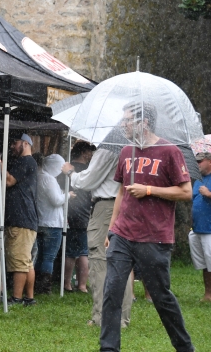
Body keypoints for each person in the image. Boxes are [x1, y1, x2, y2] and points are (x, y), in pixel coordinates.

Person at [100, 102, 195, 352]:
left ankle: (185, 347)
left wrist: (149, 190)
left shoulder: (169, 151)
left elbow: (186, 192)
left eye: (128, 120)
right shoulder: (126, 151)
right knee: (111, 293)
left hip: (154, 238)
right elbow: (121, 193)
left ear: (144, 122)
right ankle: (108, 348)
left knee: (161, 297)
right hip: (122, 235)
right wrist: (111, 229)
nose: (123, 124)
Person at [62, 138, 134, 328]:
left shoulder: (108, 148)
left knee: (100, 261)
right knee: (122, 263)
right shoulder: (132, 147)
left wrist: (70, 172)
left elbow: (88, 180)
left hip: (107, 208)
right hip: (127, 207)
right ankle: (122, 319)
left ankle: (103, 317)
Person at [4, 134, 38, 306]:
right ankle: (29, 298)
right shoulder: (29, 163)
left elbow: (9, 181)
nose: (12, 146)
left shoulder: (25, 162)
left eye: (15, 143)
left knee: (19, 261)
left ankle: (16, 298)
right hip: (27, 219)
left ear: (25, 143)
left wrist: (0, 163)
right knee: (26, 261)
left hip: (21, 219)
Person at [34, 154, 70, 295]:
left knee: (39, 256)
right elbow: (56, 200)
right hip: (53, 223)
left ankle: (36, 284)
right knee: (48, 257)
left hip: (40, 221)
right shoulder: (49, 179)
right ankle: (44, 288)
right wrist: (67, 195)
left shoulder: (39, 176)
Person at [63, 142, 96, 293]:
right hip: (84, 213)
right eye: (89, 152)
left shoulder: (66, 168)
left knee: (69, 251)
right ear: (84, 153)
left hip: (68, 212)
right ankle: (82, 285)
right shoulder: (89, 170)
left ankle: (67, 284)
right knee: (83, 251)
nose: (91, 156)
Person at [190, 150, 211, 302]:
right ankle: (208, 294)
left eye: (200, 161)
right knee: (205, 264)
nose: (197, 165)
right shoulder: (198, 179)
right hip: (198, 228)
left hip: (210, 229)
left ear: (209, 161)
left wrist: (209, 194)